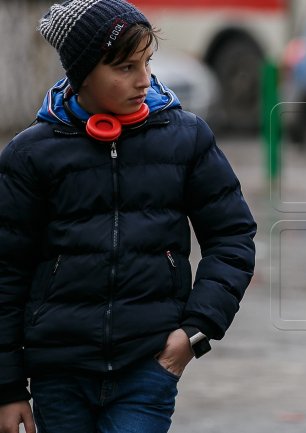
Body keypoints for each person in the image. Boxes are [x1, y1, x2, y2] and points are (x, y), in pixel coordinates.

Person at [0, 1, 256, 432]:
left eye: (147, 62)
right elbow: (5, 272)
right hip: (57, 376)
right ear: (82, 73)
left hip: (148, 368)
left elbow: (232, 237)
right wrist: (7, 387)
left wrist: (194, 334)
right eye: (124, 67)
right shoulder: (29, 155)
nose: (144, 79)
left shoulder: (186, 137)